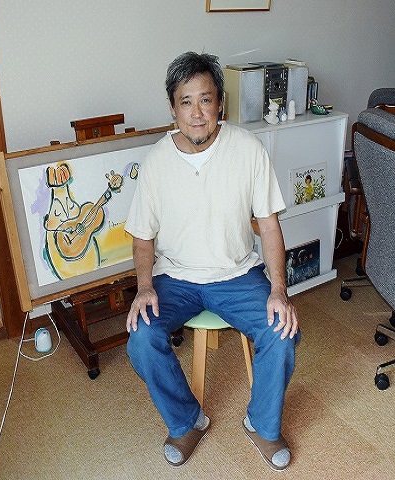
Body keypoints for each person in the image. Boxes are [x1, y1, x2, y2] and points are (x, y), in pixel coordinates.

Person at [124, 51, 300, 471]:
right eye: (186, 102)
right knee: (141, 337)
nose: (197, 113)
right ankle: (188, 422)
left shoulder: (248, 149)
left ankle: (262, 425)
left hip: (237, 273)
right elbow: (143, 237)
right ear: (172, 109)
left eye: (205, 100)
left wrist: (279, 290)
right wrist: (144, 287)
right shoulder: (156, 161)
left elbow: (269, 226)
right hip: (175, 277)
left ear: (221, 103)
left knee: (282, 330)